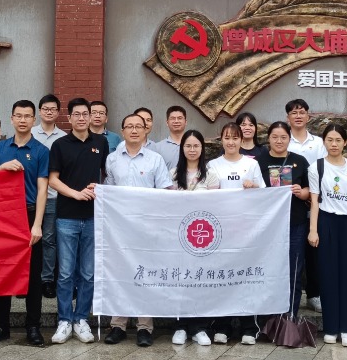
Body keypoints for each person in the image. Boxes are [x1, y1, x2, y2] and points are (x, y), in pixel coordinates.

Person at [102, 113, 174, 347]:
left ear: (145, 131)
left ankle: (144, 327)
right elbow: (109, 192)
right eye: (129, 127)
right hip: (120, 229)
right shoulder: (112, 159)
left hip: (147, 229)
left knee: (146, 275)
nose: (134, 130)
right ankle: (118, 325)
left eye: (138, 127)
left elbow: (165, 193)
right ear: (122, 131)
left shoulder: (155, 159)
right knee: (120, 275)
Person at [0, 100, 50, 347]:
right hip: (3, 216)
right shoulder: (0, 148)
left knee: (33, 275)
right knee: (3, 272)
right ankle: (0, 327)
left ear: (34, 120)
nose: (23, 120)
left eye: (27, 116)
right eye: (18, 116)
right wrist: (1, 168)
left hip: (30, 215)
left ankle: (33, 327)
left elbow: (42, 190)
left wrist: (37, 224)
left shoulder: (41, 150)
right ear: (11, 119)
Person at [47, 98, 109, 344]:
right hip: (67, 217)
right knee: (64, 273)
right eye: (77, 114)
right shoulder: (60, 145)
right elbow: (53, 179)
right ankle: (64, 320)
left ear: (91, 117)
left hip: (94, 217)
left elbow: (107, 175)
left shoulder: (101, 142)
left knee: (88, 273)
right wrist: (76, 194)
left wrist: (100, 188)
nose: (82, 118)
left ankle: (81, 319)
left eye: (86, 114)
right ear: (69, 118)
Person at [308, 124, 347, 347]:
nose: (334, 144)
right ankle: (331, 327)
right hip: (325, 222)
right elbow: (314, 201)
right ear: (324, 141)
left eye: (338, 140)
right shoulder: (317, 167)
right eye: (330, 140)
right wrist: (313, 230)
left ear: (345, 142)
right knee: (328, 275)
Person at [207, 122, 265, 345]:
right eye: (227, 137)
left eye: (235, 138)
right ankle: (222, 326)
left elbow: (264, 195)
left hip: (246, 230)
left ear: (242, 140)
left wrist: (254, 187)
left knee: (245, 277)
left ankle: (249, 326)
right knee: (222, 277)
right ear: (221, 140)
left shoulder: (251, 164)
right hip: (221, 231)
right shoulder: (213, 165)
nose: (231, 142)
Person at [255, 122, 310, 324]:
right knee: (269, 270)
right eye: (275, 137)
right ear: (268, 139)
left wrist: (301, 192)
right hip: (268, 227)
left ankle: (289, 319)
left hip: (295, 224)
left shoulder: (300, 161)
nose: (279, 141)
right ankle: (267, 320)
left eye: (283, 137)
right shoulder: (258, 162)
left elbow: (310, 191)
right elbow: (253, 192)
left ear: (289, 139)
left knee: (294, 271)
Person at [168, 129, 218, 347]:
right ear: (182, 149)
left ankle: (199, 327)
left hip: (202, 237)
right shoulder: (172, 174)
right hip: (179, 236)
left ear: (202, 148)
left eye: (196, 145)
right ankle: (180, 326)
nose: (192, 149)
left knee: (200, 280)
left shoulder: (211, 175)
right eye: (188, 145)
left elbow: (216, 205)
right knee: (180, 280)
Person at [284, 98, 327, 314]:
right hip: (292, 205)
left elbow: (324, 170)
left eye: (302, 112)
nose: (298, 116)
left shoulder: (318, 143)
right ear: (288, 118)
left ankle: (313, 294)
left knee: (314, 251)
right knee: (292, 252)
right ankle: (289, 295)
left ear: (308, 116)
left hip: (315, 201)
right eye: (294, 112)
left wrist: (312, 194)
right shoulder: (284, 140)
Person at [33, 94, 66, 299]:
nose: (49, 112)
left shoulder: (63, 138)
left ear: (58, 112)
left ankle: (47, 280)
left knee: (49, 239)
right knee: (28, 239)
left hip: (53, 197)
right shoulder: (29, 134)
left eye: (53, 109)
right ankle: (28, 278)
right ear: (39, 111)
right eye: (45, 109)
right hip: (30, 197)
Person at [150, 105, 188, 169]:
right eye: (172, 118)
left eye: (180, 118)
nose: (176, 121)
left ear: (185, 122)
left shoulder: (194, 146)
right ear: (167, 123)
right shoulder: (158, 147)